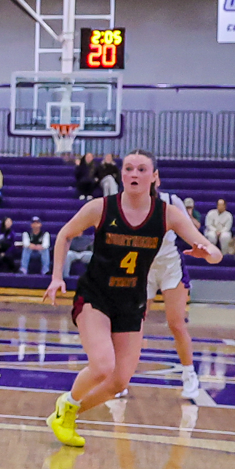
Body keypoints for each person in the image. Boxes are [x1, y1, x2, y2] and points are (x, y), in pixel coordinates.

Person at [41, 151, 221, 448]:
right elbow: (64, 235)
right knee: (102, 365)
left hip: (132, 301)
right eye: (128, 168)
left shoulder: (168, 214)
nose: (134, 174)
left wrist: (208, 253)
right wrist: (57, 276)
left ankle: (67, 411)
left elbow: (213, 252)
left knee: (119, 382)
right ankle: (68, 405)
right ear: (121, 175)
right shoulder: (101, 207)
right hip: (95, 296)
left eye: (141, 169)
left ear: (154, 177)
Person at [146, 175, 200, 399]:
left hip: (170, 266)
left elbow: (189, 231)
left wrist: (201, 245)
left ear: (155, 177)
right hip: (141, 267)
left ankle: (189, 374)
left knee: (176, 323)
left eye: (143, 170)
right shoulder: (123, 203)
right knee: (132, 324)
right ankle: (121, 378)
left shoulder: (171, 201)